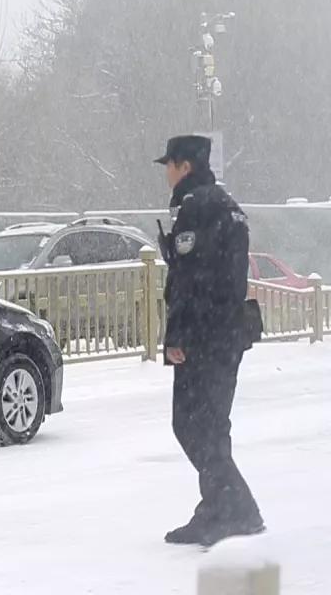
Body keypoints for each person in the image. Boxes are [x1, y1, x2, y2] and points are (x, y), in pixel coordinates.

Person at [155, 135, 264, 547]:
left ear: (184, 166)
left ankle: (237, 508)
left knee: (191, 423)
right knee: (212, 425)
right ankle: (218, 507)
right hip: (227, 332)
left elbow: (189, 278)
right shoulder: (228, 207)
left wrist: (177, 335)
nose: (166, 172)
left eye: (170, 164)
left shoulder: (197, 207)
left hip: (203, 335)